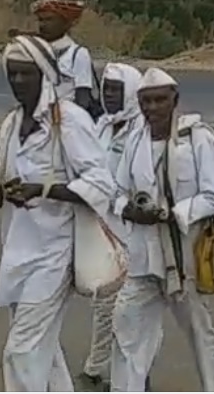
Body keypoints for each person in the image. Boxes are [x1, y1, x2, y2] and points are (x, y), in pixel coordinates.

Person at [0, 35, 116, 392]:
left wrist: (45, 189)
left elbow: (101, 184)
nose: (19, 82)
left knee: (21, 352)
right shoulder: (10, 124)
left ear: (45, 75)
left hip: (55, 254)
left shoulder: (68, 120)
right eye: (13, 74)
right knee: (45, 353)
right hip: (17, 252)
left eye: (26, 74)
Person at [110, 67, 214, 392]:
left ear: (174, 99)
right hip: (142, 259)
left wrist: (172, 213)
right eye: (146, 101)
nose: (153, 108)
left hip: (184, 258)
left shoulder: (197, 138)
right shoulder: (134, 140)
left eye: (159, 100)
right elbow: (117, 191)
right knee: (126, 329)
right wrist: (130, 210)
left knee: (200, 334)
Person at [79, 63, 145, 392]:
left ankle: (125, 374)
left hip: (133, 232)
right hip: (103, 230)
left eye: (116, 91)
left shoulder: (141, 131)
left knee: (123, 309)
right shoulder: (103, 126)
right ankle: (100, 368)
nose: (109, 97)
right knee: (105, 302)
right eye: (105, 90)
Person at [31, 0, 99, 117]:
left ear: (66, 24)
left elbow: (83, 97)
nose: (43, 25)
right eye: (41, 20)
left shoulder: (77, 54)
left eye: (49, 19)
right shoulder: (35, 51)